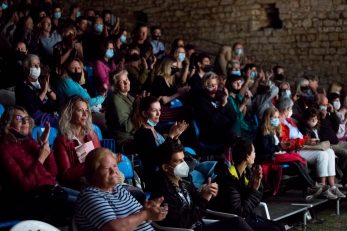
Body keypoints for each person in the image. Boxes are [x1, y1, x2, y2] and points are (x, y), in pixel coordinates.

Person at [150, 140, 253, 231]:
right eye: (179, 161)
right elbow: (182, 223)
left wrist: (208, 193)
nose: (184, 164)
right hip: (189, 228)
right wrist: (204, 199)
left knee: (237, 222)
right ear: (166, 167)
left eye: (184, 159)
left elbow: (198, 203)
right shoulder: (161, 192)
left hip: (200, 226)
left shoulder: (185, 179)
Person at [0, 106, 77, 223]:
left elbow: (53, 172)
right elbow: (25, 185)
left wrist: (45, 146)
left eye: (26, 118)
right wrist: (41, 158)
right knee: (89, 206)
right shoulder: (4, 149)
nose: (25, 121)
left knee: (90, 199)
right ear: (8, 123)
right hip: (31, 200)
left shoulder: (30, 142)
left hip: (51, 189)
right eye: (19, 118)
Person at [75, 147, 168, 231]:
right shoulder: (90, 196)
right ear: (93, 173)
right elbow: (114, 229)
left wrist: (148, 210)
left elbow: (135, 218)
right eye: (106, 168)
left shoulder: (118, 188)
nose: (114, 171)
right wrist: (146, 214)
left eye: (115, 166)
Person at [210, 138, 285, 231]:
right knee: (275, 229)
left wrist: (257, 184)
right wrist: (253, 191)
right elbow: (240, 211)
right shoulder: (229, 179)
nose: (255, 154)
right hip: (231, 221)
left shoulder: (246, 173)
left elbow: (254, 201)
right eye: (253, 152)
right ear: (247, 156)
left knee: (280, 226)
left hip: (245, 217)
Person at [277, 97, 342, 199]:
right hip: (295, 150)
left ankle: (332, 186)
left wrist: (308, 140)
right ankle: (322, 187)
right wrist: (305, 141)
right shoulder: (279, 123)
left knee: (329, 151)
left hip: (303, 146)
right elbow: (286, 143)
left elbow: (300, 136)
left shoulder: (289, 121)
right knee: (323, 154)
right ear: (285, 109)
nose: (291, 111)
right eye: (290, 109)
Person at [133, 96, 189, 190]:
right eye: (154, 110)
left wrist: (176, 136)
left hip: (170, 172)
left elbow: (170, 150)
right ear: (145, 113)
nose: (159, 113)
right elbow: (157, 159)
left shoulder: (155, 129)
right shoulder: (142, 134)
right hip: (159, 180)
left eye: (159, 110)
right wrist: (170, 136)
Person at [54, 96, 101, 189]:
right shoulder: (61, 140)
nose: (85, 114)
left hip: (96, 177)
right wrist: (91, 163)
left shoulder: (92, 135)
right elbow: (66, 174)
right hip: (77, 184)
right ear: (69, 113)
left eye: (86, 110)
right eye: (80, 110)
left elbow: (101, 157)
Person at [15, 54, 59, 127]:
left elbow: (56, 99)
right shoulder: (21, 86)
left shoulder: (42, 80)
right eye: (34, 65)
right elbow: (33, 107)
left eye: (38, 65)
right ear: (26, 68)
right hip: (35, 117)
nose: (37, 67)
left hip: (51, 112)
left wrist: (48, 89)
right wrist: (44, 91)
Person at [105, 70, 136, 152]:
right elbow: (127, 127)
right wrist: (138, 108)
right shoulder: (115, 99)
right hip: (124, 141)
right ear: (115, 85)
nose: (126, 83)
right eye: (122, 82)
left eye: (127, 79)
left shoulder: (129, 96)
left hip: (133, 135)